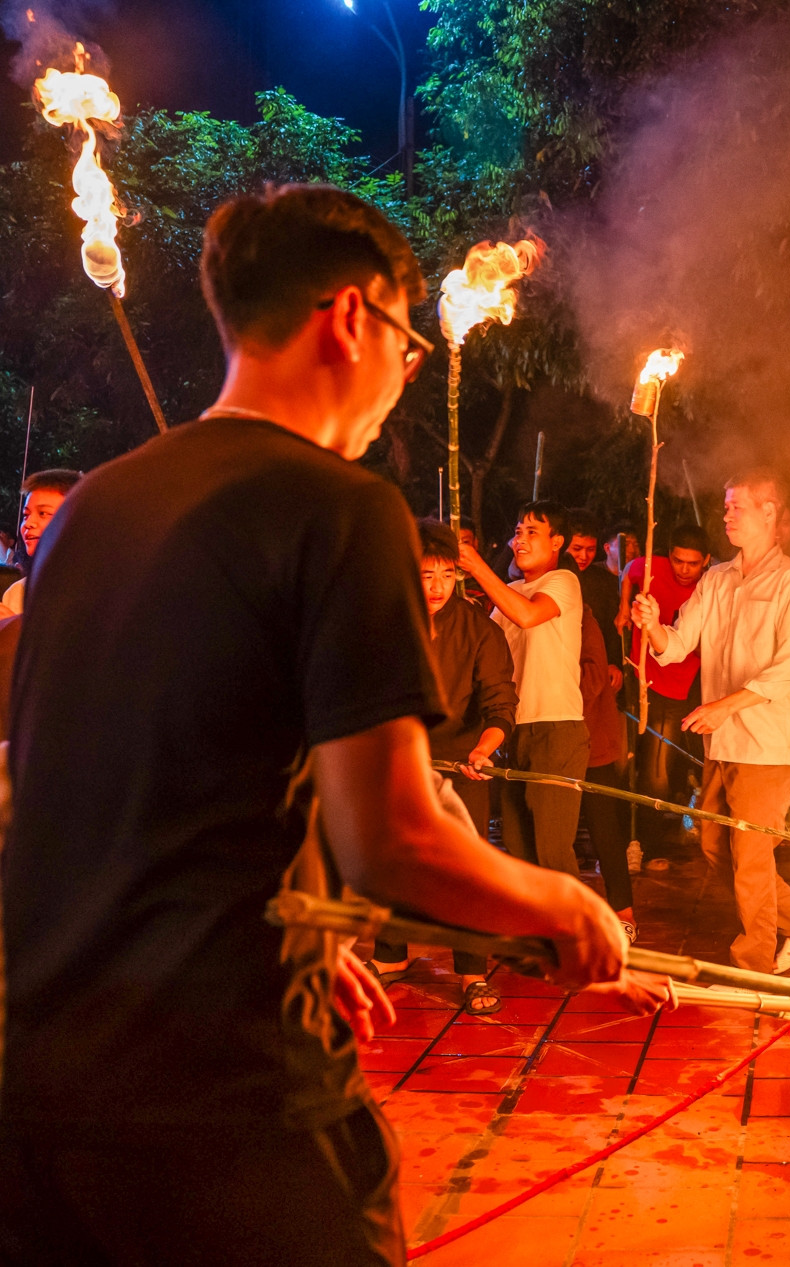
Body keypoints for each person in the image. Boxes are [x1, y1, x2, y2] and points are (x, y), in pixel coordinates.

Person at [0, 184, 662, 1264]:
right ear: (351, 317)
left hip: (43, 1107)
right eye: (409, 348)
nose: (404, 381)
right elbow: (391, 836)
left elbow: (89, 795)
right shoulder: (342, 507)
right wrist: (559, 901)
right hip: (231, 1112)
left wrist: (293, 917)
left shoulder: (87, 515)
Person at [631, 470, 790, 974]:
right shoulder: (716, 578)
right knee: (715, 843)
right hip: (720, 742)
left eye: (737, 506)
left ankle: (754, 964)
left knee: (752, 857)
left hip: (766, 745)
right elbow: (676, 647)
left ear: (769, 511)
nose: (727, 515)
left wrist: (724, 705)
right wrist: (653, 626)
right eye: (725, 506)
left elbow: (788, 670)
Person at [368, 519, 519, 1012]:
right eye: (425, 574)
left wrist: (483, 750)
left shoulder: (480, 629)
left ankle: (472, 970)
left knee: (465, 871)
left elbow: (500, 706)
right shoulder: (387, 621)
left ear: (459, 576)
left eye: (446, 575)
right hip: (399, 761)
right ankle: (390, 956)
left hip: (461, 765)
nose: (435, 587)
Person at [461, 501, 591, 883]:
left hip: (556, 728)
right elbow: (485, 650)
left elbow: (528, 615)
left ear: (557, 543)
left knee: (551, 850)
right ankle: (533, 937)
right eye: (518, 531)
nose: (520, 539)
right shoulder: (510, 590)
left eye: (533, 532)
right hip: (513, 729)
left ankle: (570, 936)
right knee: (518, 848)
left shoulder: (563, 582)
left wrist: (477, 567)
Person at [618, 522, 712, 869]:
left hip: (679, 685)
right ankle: (631, 841)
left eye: (692, 563)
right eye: (678, 561)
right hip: (641, 676)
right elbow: (629, 570)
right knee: (631, 763)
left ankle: (651, 843)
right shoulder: (653, 567)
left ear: (706, 561)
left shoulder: (711, 586)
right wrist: (624, 605)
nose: (683, 570)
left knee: (659, 770)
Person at [577, 603, 635, 933]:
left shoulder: (583, 616)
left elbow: (595, 676)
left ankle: (623, 912)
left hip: (590, 734)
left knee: (604, 826)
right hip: (542, 734)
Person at [0, 468, 82, 617]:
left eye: (43, 513)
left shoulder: (97, 588)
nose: (28, 523)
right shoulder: (17, 592)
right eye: (26, 515)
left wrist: (13, 628)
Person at [567, 507, 623, 668]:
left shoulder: (603, 580)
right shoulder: (550, 576)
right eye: (577, 549)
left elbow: (611, 628)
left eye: (590, 549)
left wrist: (612, 663)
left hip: (594, 665)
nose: (584, 557)